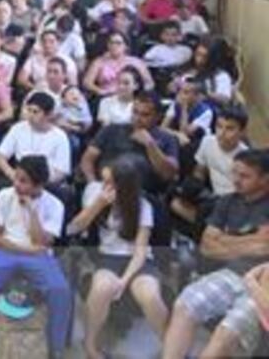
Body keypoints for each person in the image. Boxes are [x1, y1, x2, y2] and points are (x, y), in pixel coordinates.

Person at [162, 150, 269, 359]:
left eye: (244, 176)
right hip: (232, 273)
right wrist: (254, 241)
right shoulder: (226, 202)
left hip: (263, 284)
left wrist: (226, 240)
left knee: (227, 331)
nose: (236, 180)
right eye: (235, 173)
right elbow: (207, 246)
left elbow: (265, 248)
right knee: (185, 304)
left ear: (265, 179)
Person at [0, 155, 71, 356]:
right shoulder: (5, 195)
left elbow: (41, 243)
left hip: (39, 256)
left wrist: (32, 211)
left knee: (60, 290)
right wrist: (22, 250)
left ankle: (55, 345)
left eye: (23, 181)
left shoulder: (55, 204)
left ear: (38, 184)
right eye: (16, 178)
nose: (16, 184)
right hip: (6, 249)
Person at [67, 157, 168, 359]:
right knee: (101, 288)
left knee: (150, 295)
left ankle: (171, 346)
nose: (105, 186)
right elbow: (72, 228)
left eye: (110, 183)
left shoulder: (143, 205)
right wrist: (98, 205)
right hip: (108, 257)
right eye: (104, 181)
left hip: (139, 261)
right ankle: (90, 345)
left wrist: (124, 281)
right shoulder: (96, 193)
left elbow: (140, 250)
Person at [170, 104, 248, 233]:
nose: (222, 133)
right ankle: (210, 228)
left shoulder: (246, 157)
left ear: (242, 132)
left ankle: (211, 229)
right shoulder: (207, 142)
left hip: (233, 204)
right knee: (174, 200)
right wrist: (192, 186)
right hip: (211, 198)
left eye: (230, 129)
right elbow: (200, 171)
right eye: (219, 126)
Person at [81, 92, 179, 195]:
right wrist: (92, 183)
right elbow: (88, 158)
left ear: (157, 117)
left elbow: (168, 174)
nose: (137, 118)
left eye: (145, 115)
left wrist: (150, 145)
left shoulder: (167, 139)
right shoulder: (111, 130)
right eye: (135, 112)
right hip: (104, 188)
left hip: (141, 194)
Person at [0, 91, 71, 186]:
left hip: (45, 181)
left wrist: (37, 182)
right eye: (28, 110)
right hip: (18, 176)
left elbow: (61, 171)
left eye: (35, 112)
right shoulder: (18, 128)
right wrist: (11, 173)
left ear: (48, 114)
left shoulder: (60, 136)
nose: (30, 115)